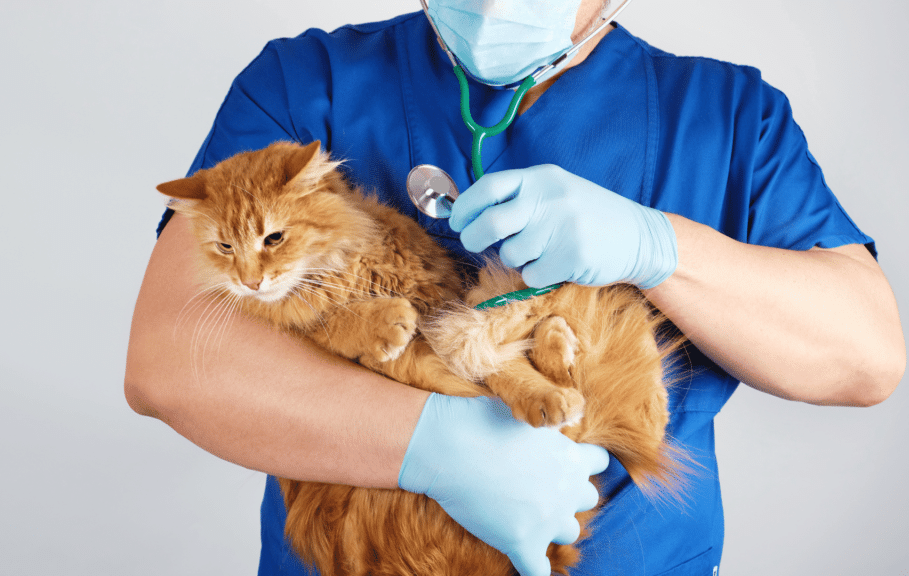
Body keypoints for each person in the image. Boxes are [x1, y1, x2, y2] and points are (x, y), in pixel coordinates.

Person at [124, 0, 906, 574]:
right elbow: (171, 360)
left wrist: (657, 246)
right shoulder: (305, 85)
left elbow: (865, 356)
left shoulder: (727, 117)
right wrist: (428, 446)